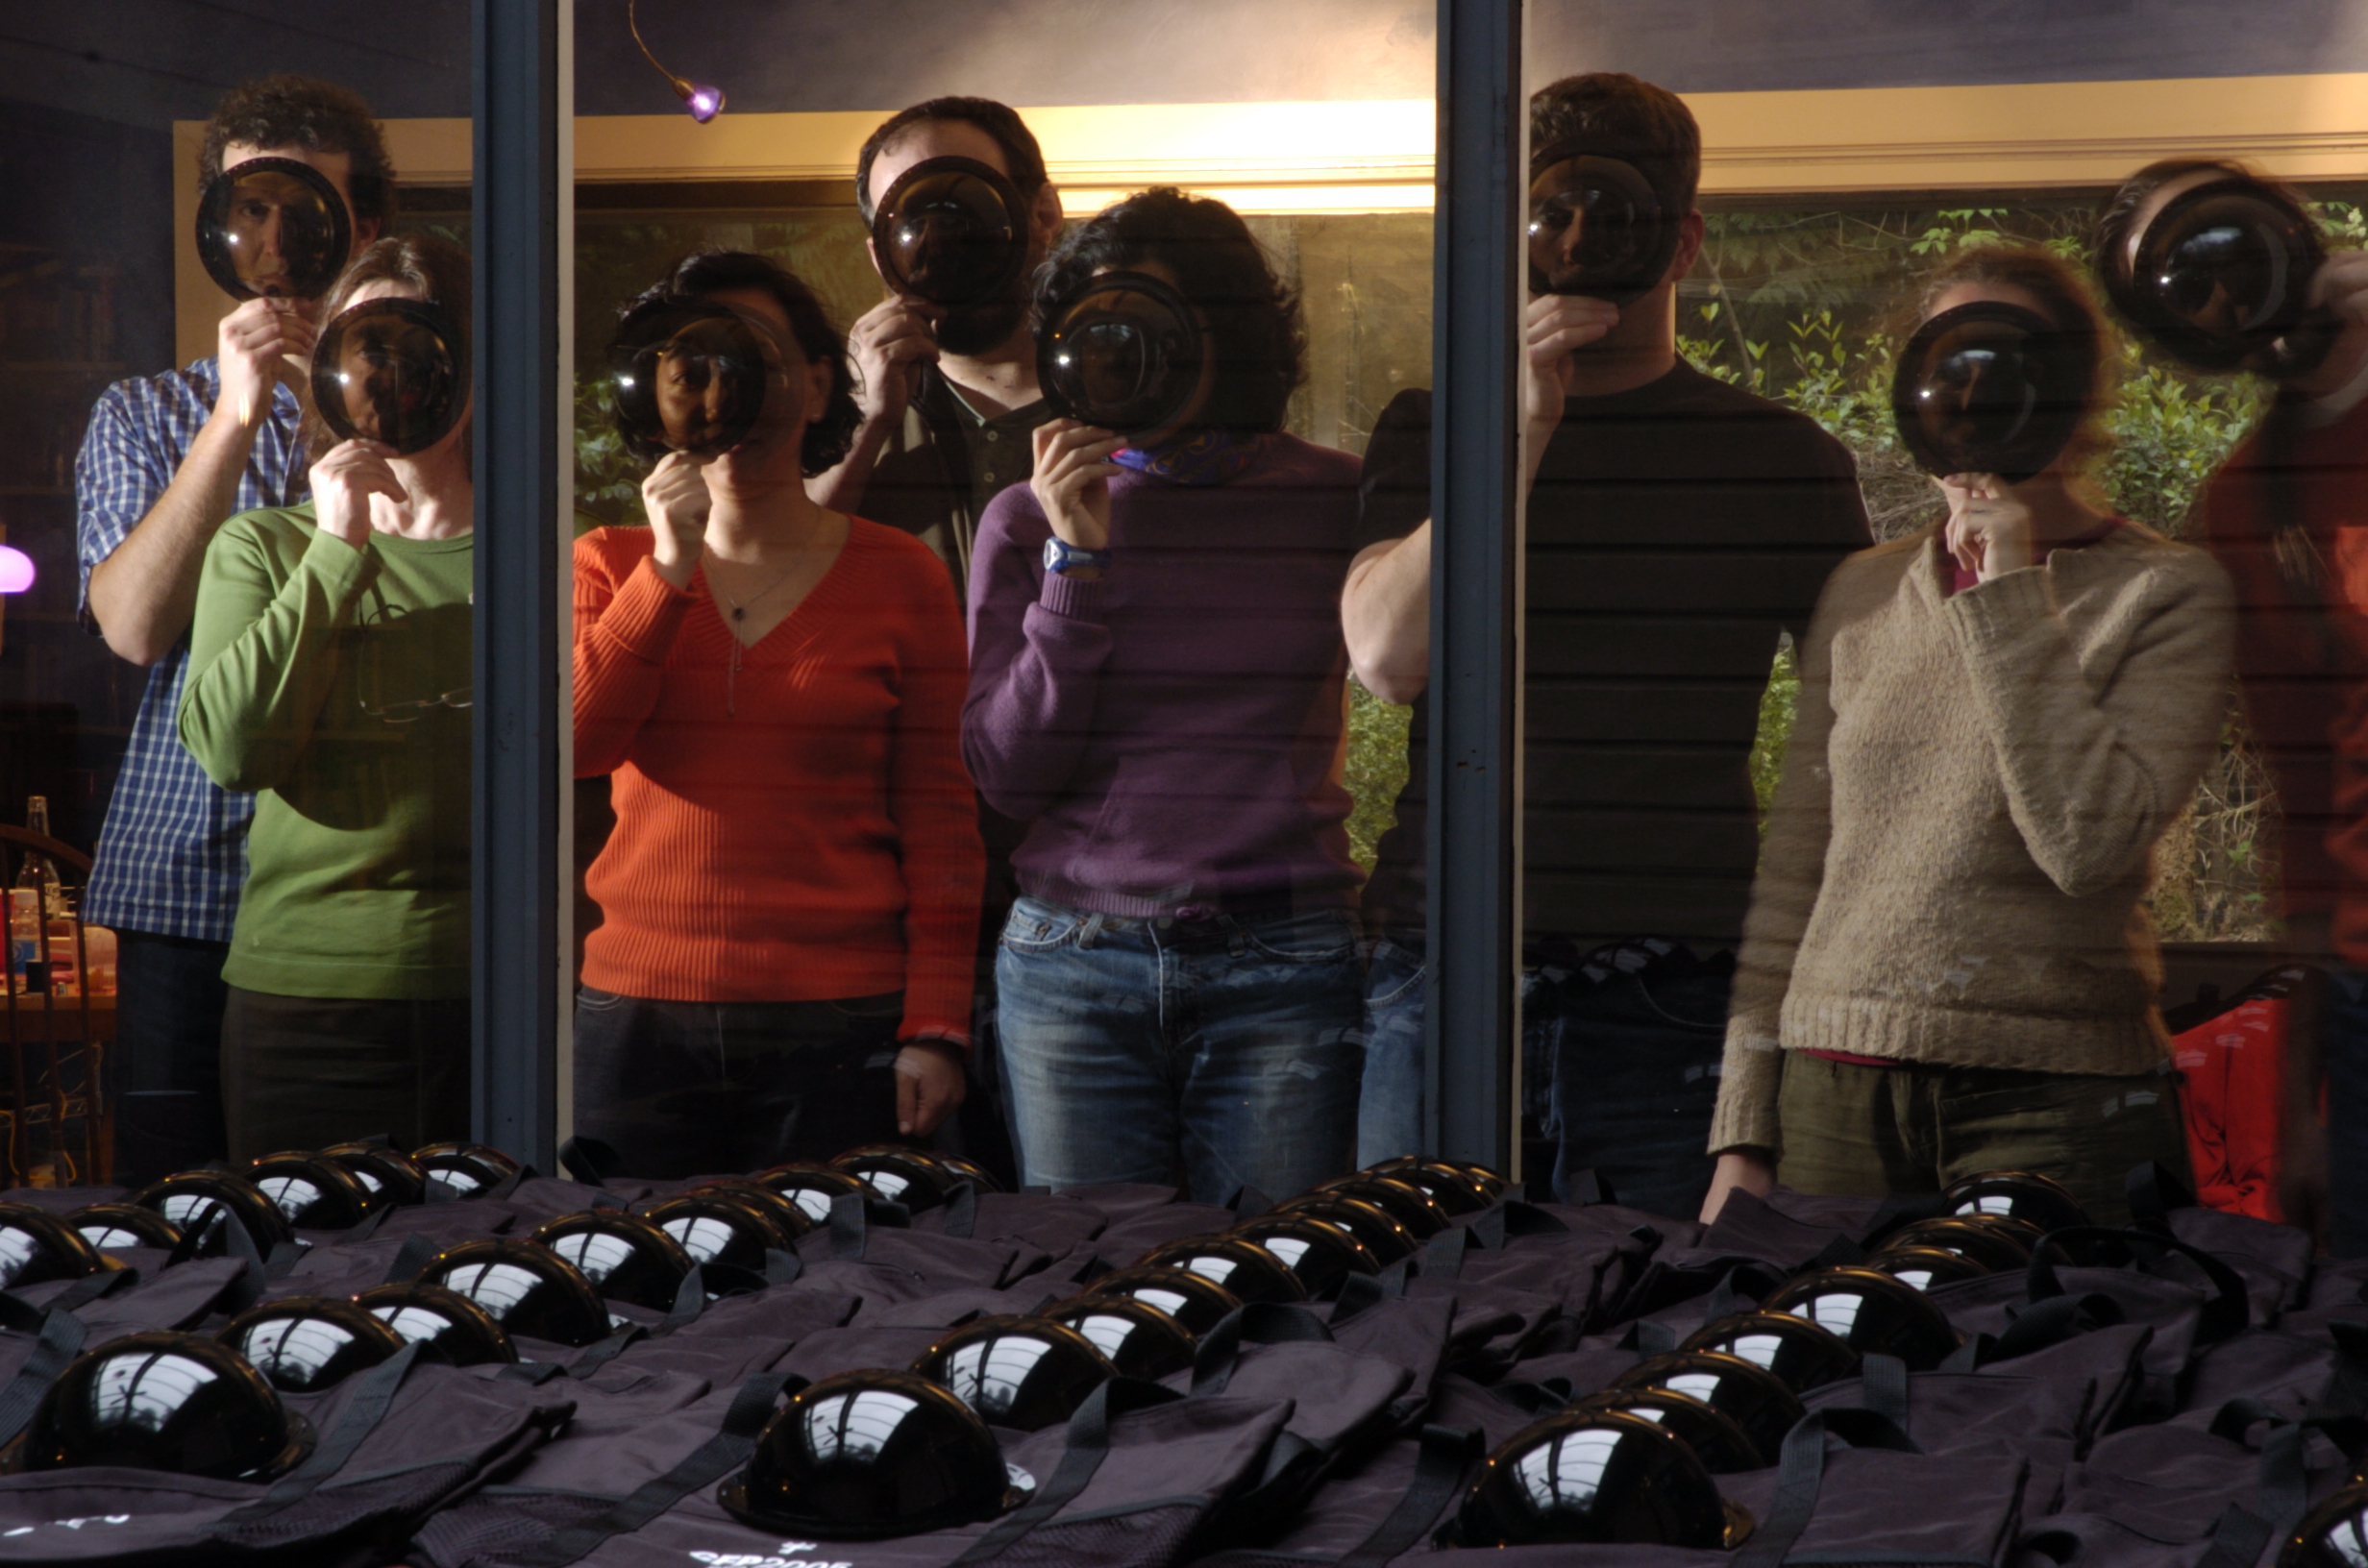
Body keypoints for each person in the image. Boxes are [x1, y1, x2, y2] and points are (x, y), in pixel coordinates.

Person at [1340, 73, 1869, 1213]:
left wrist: (1773, 1048)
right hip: (1442, 967)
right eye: (1549, 216)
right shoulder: (1433, 425)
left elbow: (1861, 748)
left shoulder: (1782, 459)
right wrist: (1516, 429)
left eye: (1611, 215)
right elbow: (1385, 660)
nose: (1577, 244)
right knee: (1407, 1298)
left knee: (1655, 1308)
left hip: (1675, 985)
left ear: (1680, 243)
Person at [1703, 246, 2235, 1226]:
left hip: (2059, 1097)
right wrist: (1743, 1127)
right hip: (1835, 1092)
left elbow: (2088, 848)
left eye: (2008, 359)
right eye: (1948, 360)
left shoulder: (2166, 591)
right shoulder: (1862, 589)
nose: (1976, 388)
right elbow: (1796, 873)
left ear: (2074, 389)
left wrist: (2010, 589)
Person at [964, 187, 1368, 1205]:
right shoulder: (1025, 517)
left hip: (1282, 954)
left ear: (1226, 336)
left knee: (1277, 1274)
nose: (1123, 355)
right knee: (1085, 1282)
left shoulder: (1337, 498)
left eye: (1150, 326)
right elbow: (1006, 778)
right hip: (1072, 963)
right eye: (1097, 332)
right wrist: (1074, 562)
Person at [572, 252, 983, 1177]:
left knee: (838, 1265)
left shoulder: (900, 574)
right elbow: (578, 747)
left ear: (817, 385)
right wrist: (667, 571)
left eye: (753, 357)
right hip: (639, 1015)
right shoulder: (606, 561)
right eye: (696, 365)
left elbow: (941, 819)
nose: (727, 389)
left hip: (840, 1017)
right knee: (630, 1263)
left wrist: (936, 1026)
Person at [75, 74, 395, 1180]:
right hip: (186, 883)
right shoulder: (142, 413)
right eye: (248, 210)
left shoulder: (425, 414)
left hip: (367, 883)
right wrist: (232, 416)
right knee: (175, 1214)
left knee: (358, 1215)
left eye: (304, 212)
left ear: (363, 230)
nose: (273, 242)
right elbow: (131, 629)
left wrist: (341, 403)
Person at [2101, 159, 2368, 1257]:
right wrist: (2298, 1105)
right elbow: (2301, 812)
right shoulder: (2244, 504)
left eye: (2221, 248)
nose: (2218, 293)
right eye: (2179, 287)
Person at [810, 97, 1069, 1178]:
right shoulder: (837, 415)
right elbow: (768, 574)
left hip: (1089, 873)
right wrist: (870, 418)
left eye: (966, 201)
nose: (941, 234)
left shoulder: (1118, 393)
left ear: (1040, 215)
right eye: (909, 215)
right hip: (897, 882)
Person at [175, 233, 474, 1161]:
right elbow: (234, 751)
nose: (389, 378)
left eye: (417, 350)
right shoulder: (262, 545)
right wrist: (336, 550)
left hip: (500, 989)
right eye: (363, 349)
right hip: (306, 995)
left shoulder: (554, 550)